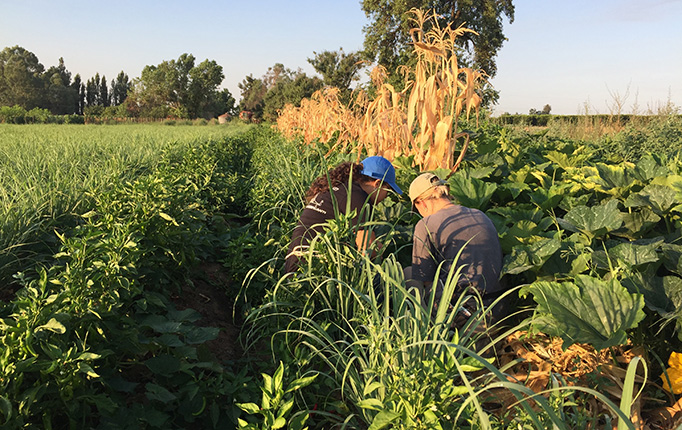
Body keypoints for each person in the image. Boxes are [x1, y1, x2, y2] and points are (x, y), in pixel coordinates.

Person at [405, 172, 505, 323]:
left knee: (409, 273)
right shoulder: (480, 215)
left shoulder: (426, 224)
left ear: (422, 203)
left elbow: (425, 277)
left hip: (462, 312)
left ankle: (426, 332)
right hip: (498, 307)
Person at [284, 156, 402, 274]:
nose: (385, 197)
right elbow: (367, 247)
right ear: (378, 184)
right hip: (312, 268)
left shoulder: (341, 188)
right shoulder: (358, 197)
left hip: (295, 264)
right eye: (388, 191)